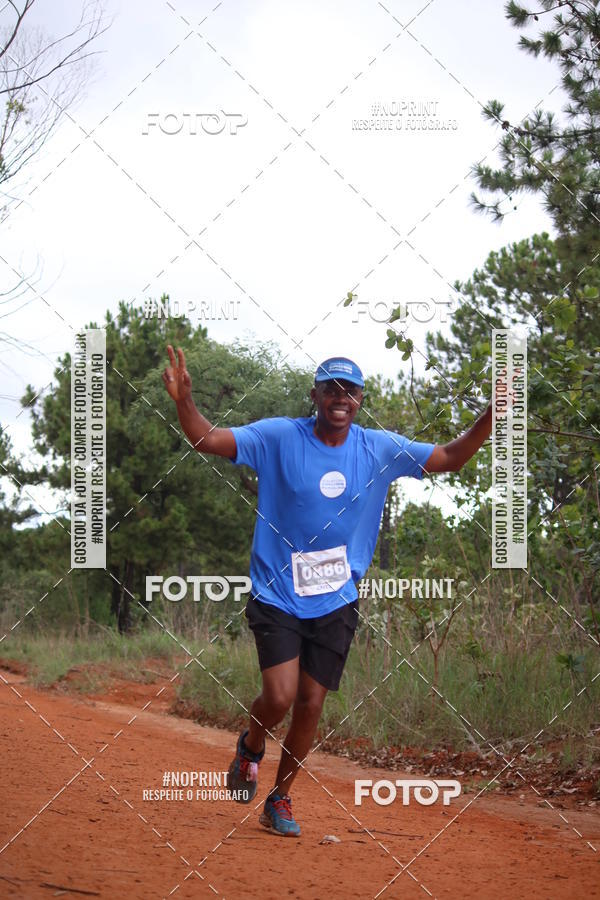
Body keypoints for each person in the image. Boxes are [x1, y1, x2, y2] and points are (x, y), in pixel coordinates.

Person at [162, 346, 493, 836]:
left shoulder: (378, 449)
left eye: (350, 391)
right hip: (277, 591)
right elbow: (206, 439)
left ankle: (279, 799)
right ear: (314, 395)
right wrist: (184, 401)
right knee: (279, 696)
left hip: (335, 598)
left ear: (360, 400)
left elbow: (450, 457)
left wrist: (492, 415)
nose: (341, 398)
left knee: (311, 704)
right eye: (331, 389)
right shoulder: (279, 437)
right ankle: (251, 745)